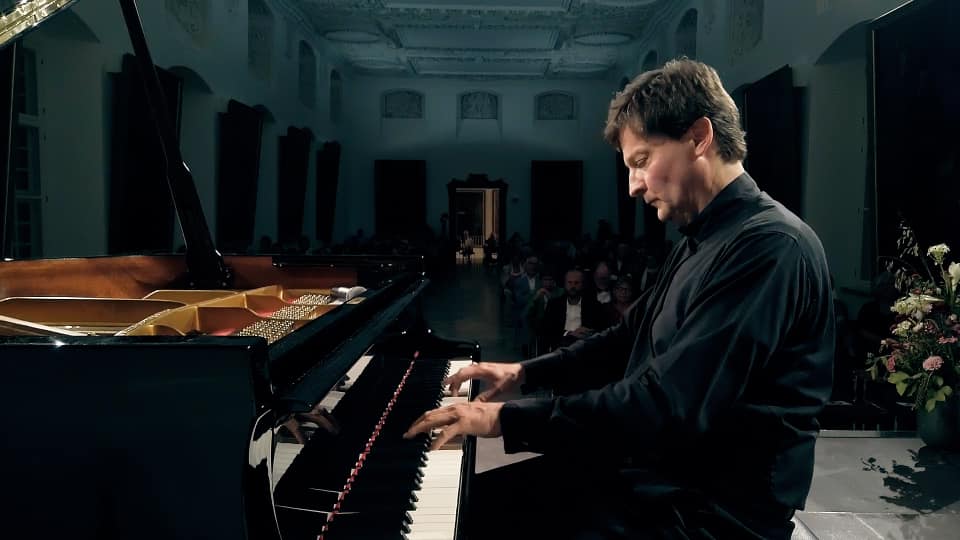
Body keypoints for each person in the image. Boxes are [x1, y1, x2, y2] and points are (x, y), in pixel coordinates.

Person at [405, 59, 834, 539]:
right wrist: (525, 372)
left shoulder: (770, 247)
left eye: (641, 161)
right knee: (470, 509)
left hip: (708, 511)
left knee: (476, 523)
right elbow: (626, 337)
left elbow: (667, 405)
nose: (632, 186)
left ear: (699, 137)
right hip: (655, 477)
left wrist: (505, 417)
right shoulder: (699, 237)